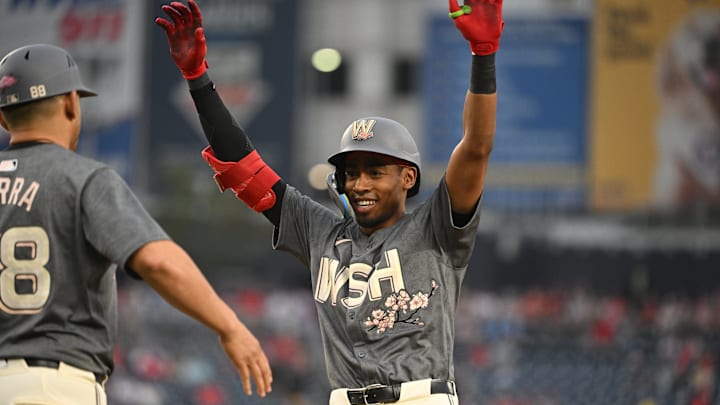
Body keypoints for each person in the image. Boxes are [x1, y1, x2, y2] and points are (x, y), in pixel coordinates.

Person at [156, 0, 502, 403]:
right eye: (351, 172)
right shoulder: (320, 231)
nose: (359, 183)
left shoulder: (437, 228)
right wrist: (197, 78)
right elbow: (243, 167)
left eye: (376, 171)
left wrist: (484, 56)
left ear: (408, 177)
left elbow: (476, 148)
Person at [0, 43, 272, 404]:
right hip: (52, 386)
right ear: (70, 103)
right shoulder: (83, 179)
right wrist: (230, 326)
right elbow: (159, 262)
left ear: (4, 118)